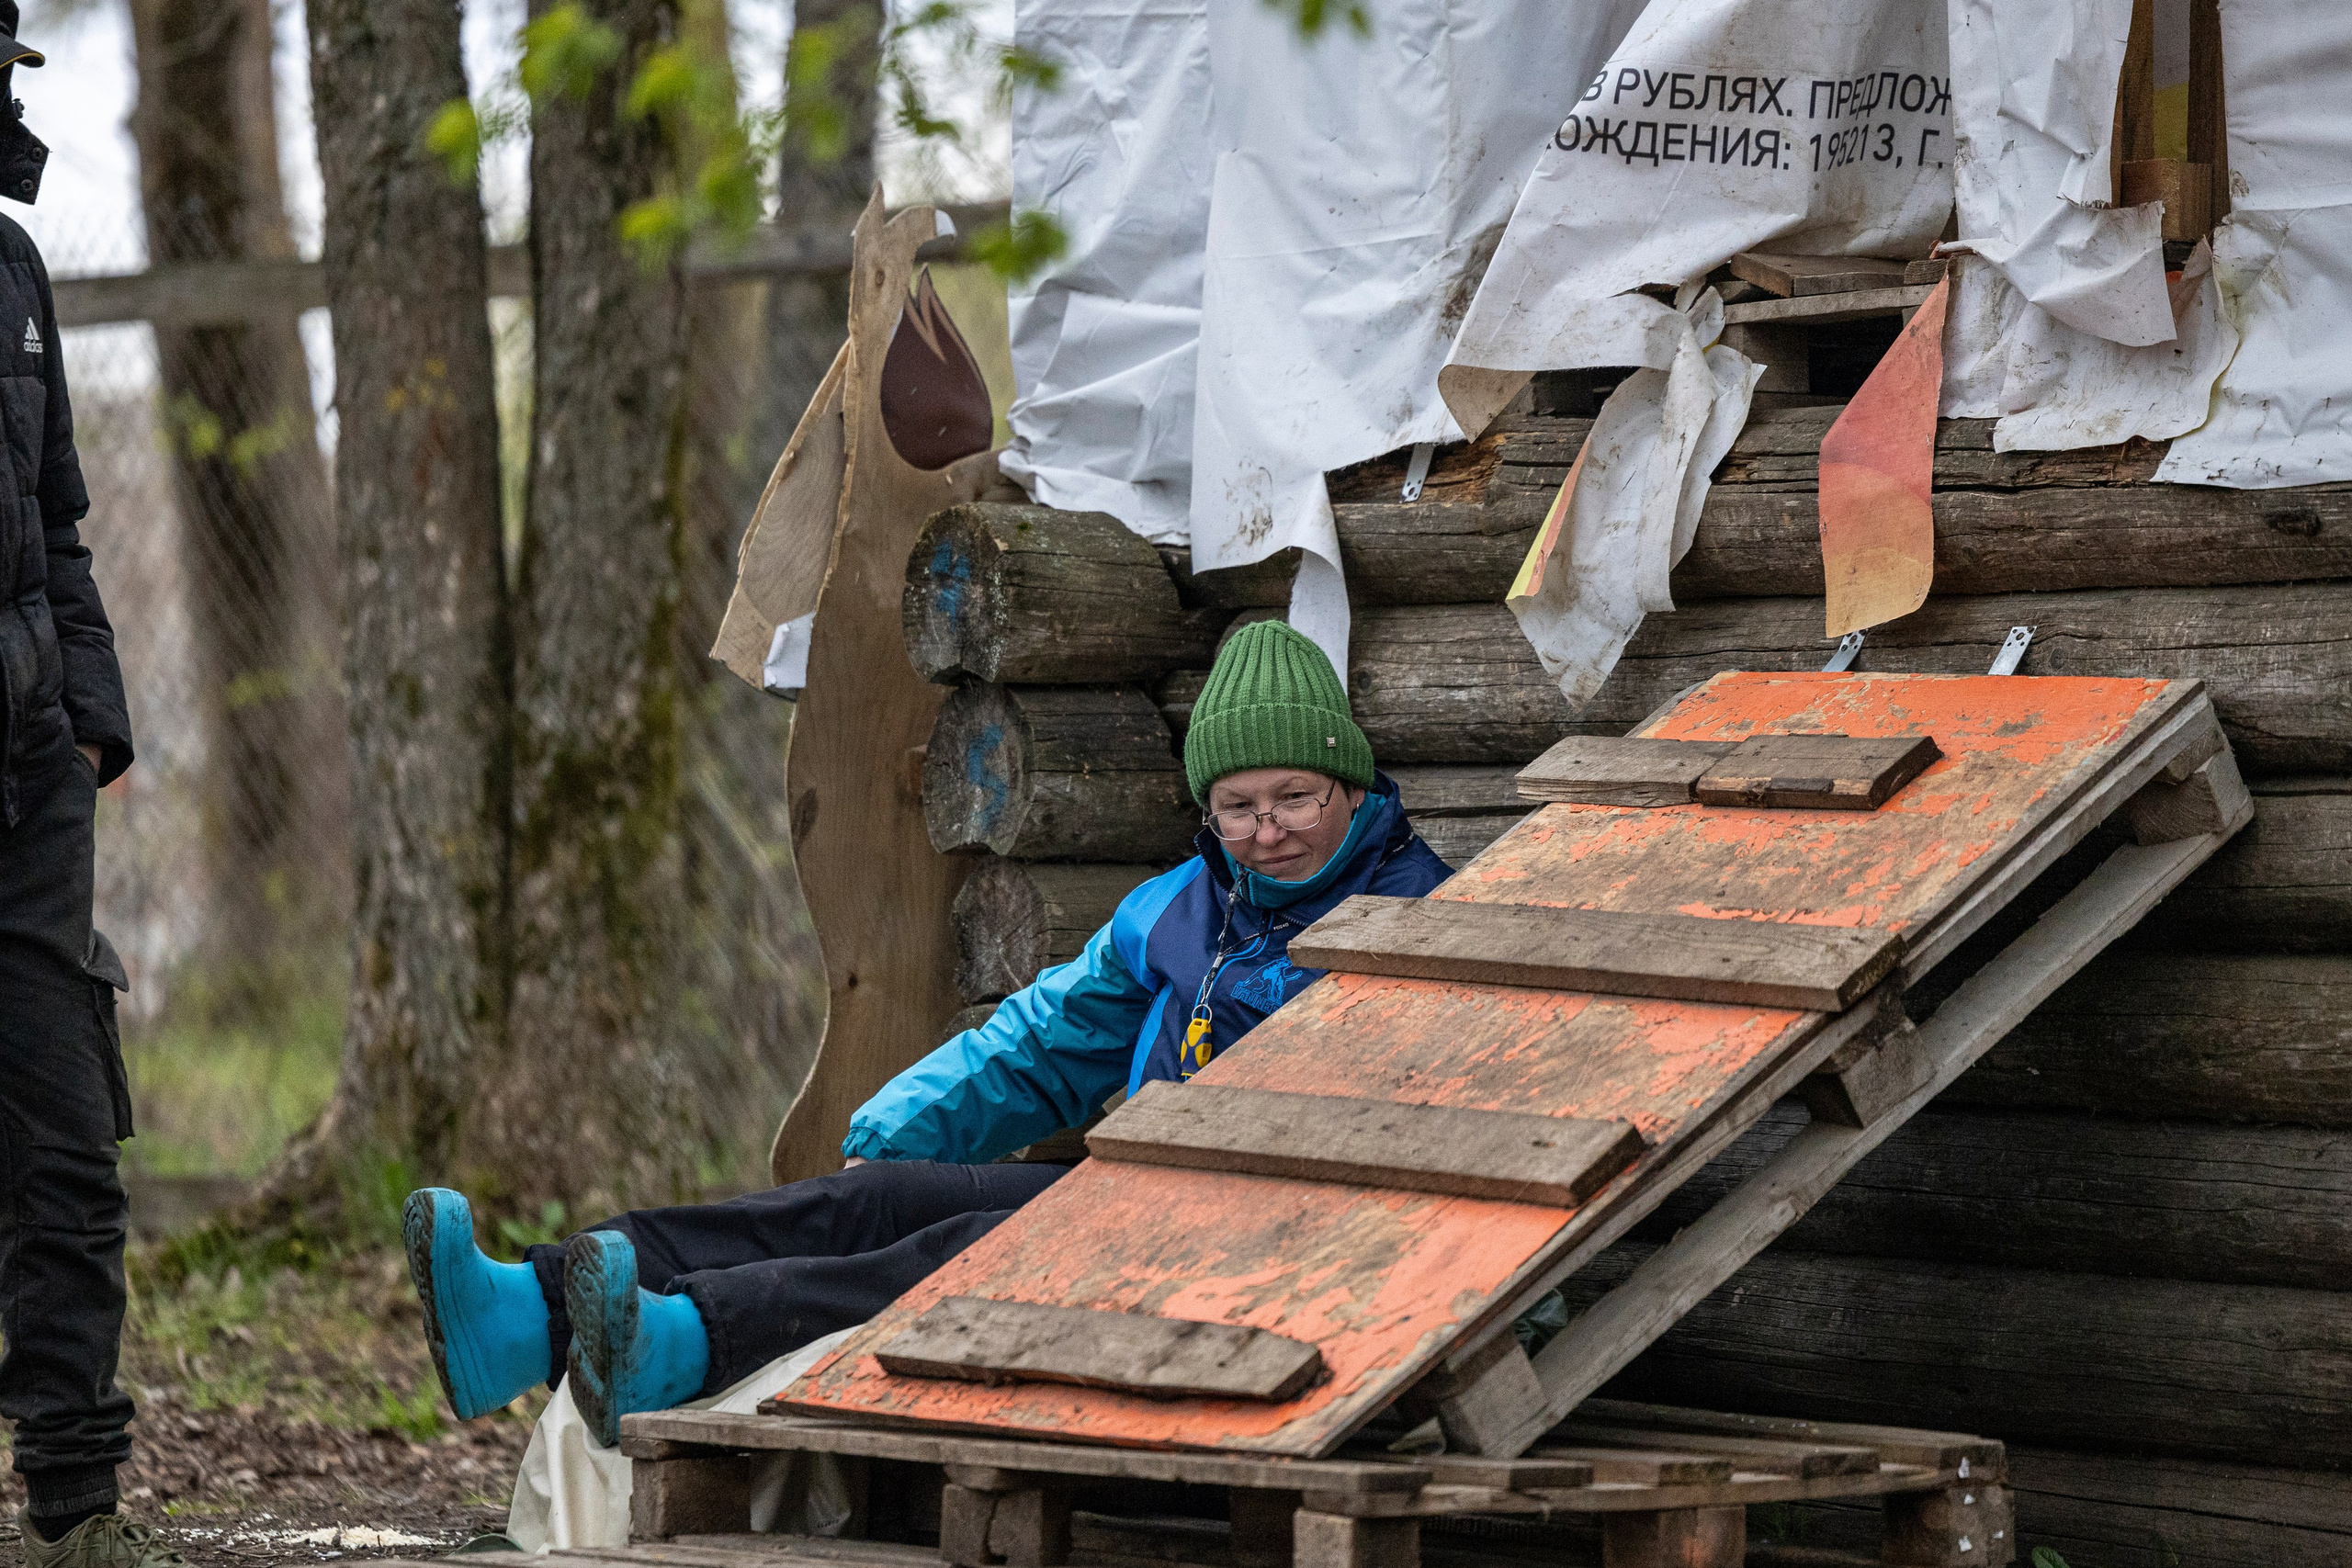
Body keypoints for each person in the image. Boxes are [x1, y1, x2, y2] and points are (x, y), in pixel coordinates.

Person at [403, 620, 1452, 1444]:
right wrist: (915, 1117)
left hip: (1274, 1245)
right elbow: (1049, 1041)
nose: (1265, 832)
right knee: (871, 1195)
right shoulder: (1184, 905)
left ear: (1349, 788)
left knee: (973, 1246)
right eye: (1237, 806)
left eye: (1294, 800)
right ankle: (527, 1315)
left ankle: (682, 1345)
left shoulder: (1417, 922)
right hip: (1142, 1189)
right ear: (1207, 809)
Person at [0, 8, 151, 1565]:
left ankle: (77, 1503)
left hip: (32, 776)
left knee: (61, 1138)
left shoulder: (14, 272)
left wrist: (92, 730)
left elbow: (63, 531)